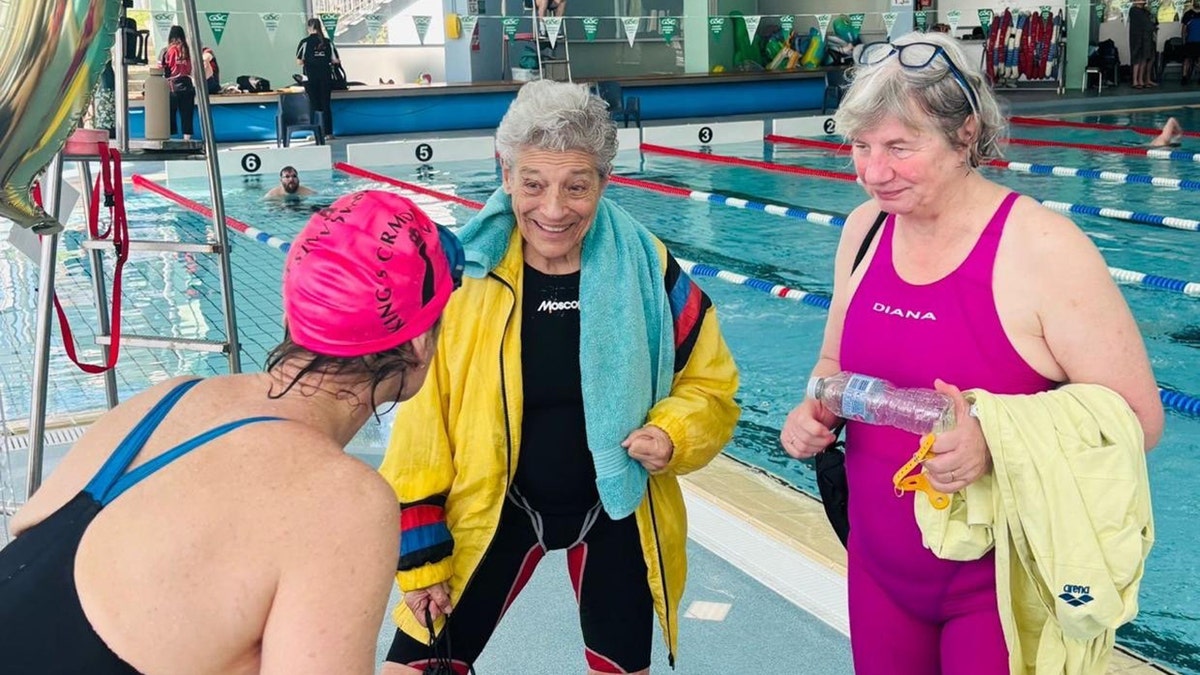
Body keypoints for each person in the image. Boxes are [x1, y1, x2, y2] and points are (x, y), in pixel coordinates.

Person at [778, 32, 1163, 675]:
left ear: (966, 136)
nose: (874, 172)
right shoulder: (864, 229)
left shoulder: (1043, 247)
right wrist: (814, 408)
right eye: (861, 146)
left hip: (1000, 590)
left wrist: (995, 437)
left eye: (900, 147)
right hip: (878, 569)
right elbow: (831, 365)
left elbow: (1138, 422)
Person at [0, 191, 464, 674]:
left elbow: (30, 541)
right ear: (419, 342)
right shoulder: (344, 499)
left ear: (293, 316)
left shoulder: (169, 398)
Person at [378, 79, 741, 675]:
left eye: (576, 187)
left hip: (616, 506)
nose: (552, 210)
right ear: (506, 174)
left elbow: (712, 383)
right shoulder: (465, 278)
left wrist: (675, 431)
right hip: (493, 505)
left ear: (604, 182)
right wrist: (421, 559)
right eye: (533, 184)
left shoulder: (648, 267)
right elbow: (421, 432)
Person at [296, 18, 339, 139]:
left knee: (314, 104)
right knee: (326, 104)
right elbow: (336, 60)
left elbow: (299, 61)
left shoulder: (305, 42)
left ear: (309, 28)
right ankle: (329, 133)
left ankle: (316, 132)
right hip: (326, 76)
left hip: (311, 77)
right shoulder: (327, 42)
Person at [159, 25, 195, 140]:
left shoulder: (166, 50)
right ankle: (187, 138)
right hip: (187, 84)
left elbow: (161, 68)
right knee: (187, 114)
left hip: (172, 85)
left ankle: (170, 137)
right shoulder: (189, 50)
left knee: (170, 113)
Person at [1129, 0, 1158, 88]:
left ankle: (1141, 80)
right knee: (1137, 59)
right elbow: (1146, 23)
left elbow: (1154, 21)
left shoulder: (1145, 11)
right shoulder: (1134, 10)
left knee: (1144, 59)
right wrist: (1152, 26)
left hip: (1146, 38)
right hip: (1137, 37)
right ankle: (1135, 81)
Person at [1182, 0, 1200, 84]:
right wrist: (1184, 40)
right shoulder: (1188, 14)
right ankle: (1184, 76)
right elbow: (1184, 29)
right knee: (1187, 59)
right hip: (1190, 41)